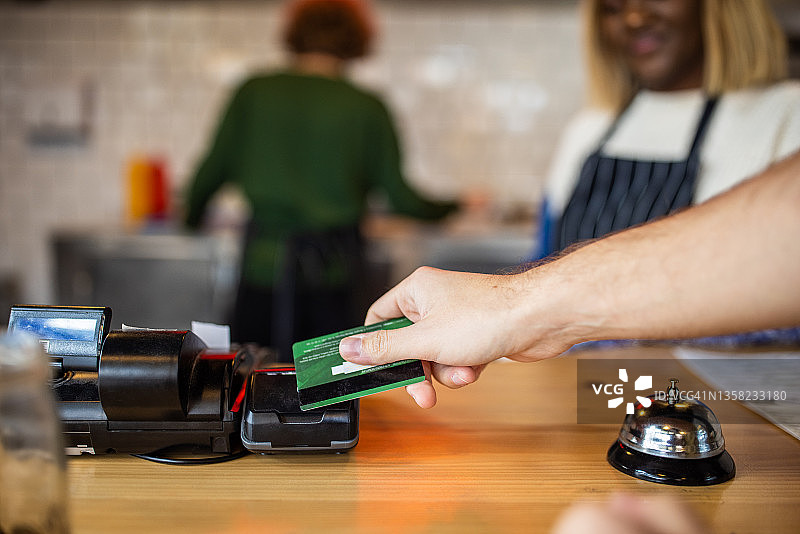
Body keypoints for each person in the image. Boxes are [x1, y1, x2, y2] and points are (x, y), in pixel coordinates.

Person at [338, 148, 800, 409]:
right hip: (569, 389)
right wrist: (517, 307)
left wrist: (516, 305)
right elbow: (546, 250)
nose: (633, 17)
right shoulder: (592, 127)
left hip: (709, 396)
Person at [184, 0, 456, 360]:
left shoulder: (253, 92)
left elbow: (208, 175)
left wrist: (188, 220)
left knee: (249, 387)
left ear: (294, 34)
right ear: (358, 39)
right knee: (333, 391)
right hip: (337, 277)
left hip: (263, 271)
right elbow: (403, 199)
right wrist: (456, 206)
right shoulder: (366, 106)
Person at [536, 0, 800, 259]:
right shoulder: (588, 129)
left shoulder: (786, 114)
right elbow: (543, 259)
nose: (634, 19)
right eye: (613, 8)